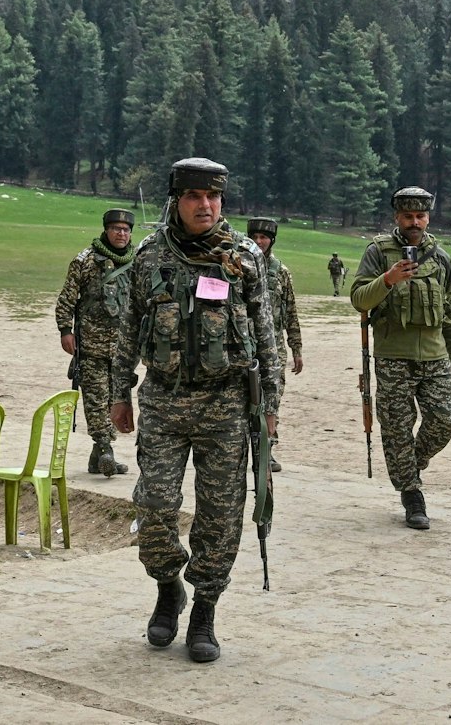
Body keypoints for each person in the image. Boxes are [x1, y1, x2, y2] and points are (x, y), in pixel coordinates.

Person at [112, 158, 279, 664]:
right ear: (176, 199)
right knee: (155, 504)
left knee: (221, 515)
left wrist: (270, 405)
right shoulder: (148, 256)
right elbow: (127, 328)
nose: (205, 206)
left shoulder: (245, 257)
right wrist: (120, 391)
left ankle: (204, 608)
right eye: (194, 197)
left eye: (213, 197)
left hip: (227, 403)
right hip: (163, 400)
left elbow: (266, 335)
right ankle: (168, 586)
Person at [350, 185, 451, 531]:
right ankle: (411, 494)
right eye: (408, 216)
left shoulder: (441, 257)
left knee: (444, 421)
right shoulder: (378, 253)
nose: (415, 222)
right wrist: (387, 280)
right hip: (392, 357)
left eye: (421, 216)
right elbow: (358, 299)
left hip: (434, 356)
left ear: (428, 217)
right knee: (397, 428)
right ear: (397, 217)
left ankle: (414, 462)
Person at [54, 208, 138, 477]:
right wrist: (66, 330)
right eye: (116, 229)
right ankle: (105, 449)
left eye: (125, 230)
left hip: (124, 352)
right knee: (96, 398)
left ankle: (96, 456)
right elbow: (66, 299)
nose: (121, 233)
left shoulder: (137, 264)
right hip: (90, 347)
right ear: (106, 230)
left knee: (116, 399)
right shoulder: (86, 261)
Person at [246, 217, 303, 472]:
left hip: (274, 348)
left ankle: (266, 451)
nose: (259, 242)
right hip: (244, 345)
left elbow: (290, 312)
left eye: (264, 238)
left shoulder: (280, 272)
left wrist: (297, 349)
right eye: (255, 237)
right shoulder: (238, 267)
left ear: (272, 240)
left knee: (271, 399)